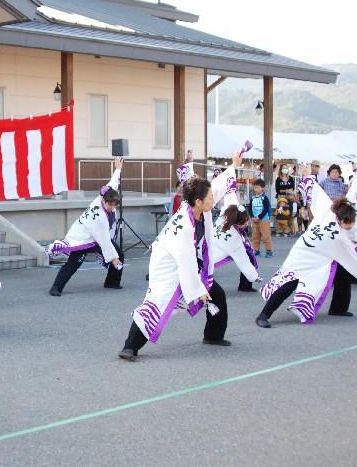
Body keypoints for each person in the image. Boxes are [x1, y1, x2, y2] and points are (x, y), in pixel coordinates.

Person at [117, 151, 244, 360]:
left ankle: (213, 335)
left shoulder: (201, 207)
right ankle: (130, 346)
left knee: (217, 295)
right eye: (210, 198)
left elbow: (218, 186)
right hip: (168, 264)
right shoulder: (185, 226)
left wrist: (234, 166)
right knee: (158, 304)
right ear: (197, 201)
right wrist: (197, 290)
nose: (214, 199)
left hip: (188, 262)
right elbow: (185, 265)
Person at [255, 169, 357, 328]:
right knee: (289, 282)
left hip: (319, 256)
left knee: (342, 272)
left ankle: (339, 308)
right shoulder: (338, 237)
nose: (350, 229)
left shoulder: (330, 208)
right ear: (340, 220)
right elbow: (351, 257)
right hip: (302, 253)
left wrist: (307, 176)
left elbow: (317, 191)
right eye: (348, 226)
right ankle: (263, 315)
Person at [47, 158, 123, 295]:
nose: (112, 207)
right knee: (74, 263)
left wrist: (118, 168)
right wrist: (113, 259)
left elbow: (113, 183)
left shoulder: (107, 193)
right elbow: (105, 242)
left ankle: (112, 282)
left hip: (96, 236)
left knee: (120, 253)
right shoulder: (99, 216)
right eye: (110, 204)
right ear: (103, 201)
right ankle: (56, 287)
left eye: (114, 205)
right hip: (83, 238)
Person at [211, 184, 260, 293]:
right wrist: (254, 276)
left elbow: (230, 197)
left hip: (212, 245)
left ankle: (246, 284)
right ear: (237, 223)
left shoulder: (227, 213)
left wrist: (230, 187)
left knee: (249, 255)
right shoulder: (234, 240)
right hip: (216, 250)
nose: (248, 223)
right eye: (245, 222)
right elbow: (242, 260)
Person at [250, 179, 273, 258]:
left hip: (264, 219)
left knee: (266, 236)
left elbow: (266, 209)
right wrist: (253, 216)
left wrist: (259, 217)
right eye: (254, 187)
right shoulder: (252, 198)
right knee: (255, 236)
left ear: (262, 188)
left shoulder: (264, 198)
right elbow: (250, 208)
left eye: (257, 187)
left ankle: (269, 250)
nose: (255, 189)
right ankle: (256, 250)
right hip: (254, 220)